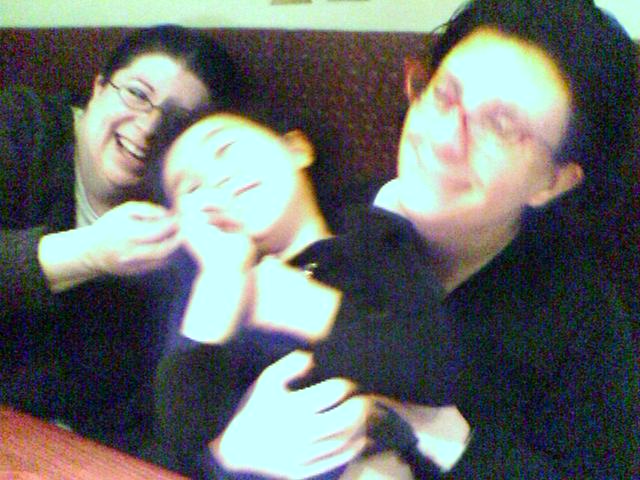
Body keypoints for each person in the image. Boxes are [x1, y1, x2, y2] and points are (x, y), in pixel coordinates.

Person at [175, 1, 637, 478]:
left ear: (554, 181)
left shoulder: (582, 327)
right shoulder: (322, 218)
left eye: (501, 126)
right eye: (443, 95)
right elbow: (179, 416)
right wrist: (227, 454)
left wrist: (449, 441)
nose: (443, 139)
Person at [146, 108, 461, 479]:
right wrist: (223, 276)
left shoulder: (376, 239)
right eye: (192, 188)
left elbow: (436, 364)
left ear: (296, 148)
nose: (217, 180)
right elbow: (183, 431)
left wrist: (302, 308)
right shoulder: (205, 296)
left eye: (226, 148)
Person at [0, 25, 239, 454]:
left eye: (177, 121)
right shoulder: (22, 127)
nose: (149, 127)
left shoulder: (184, 217)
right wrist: (90, 253)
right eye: (137, 94)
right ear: (97, 88)